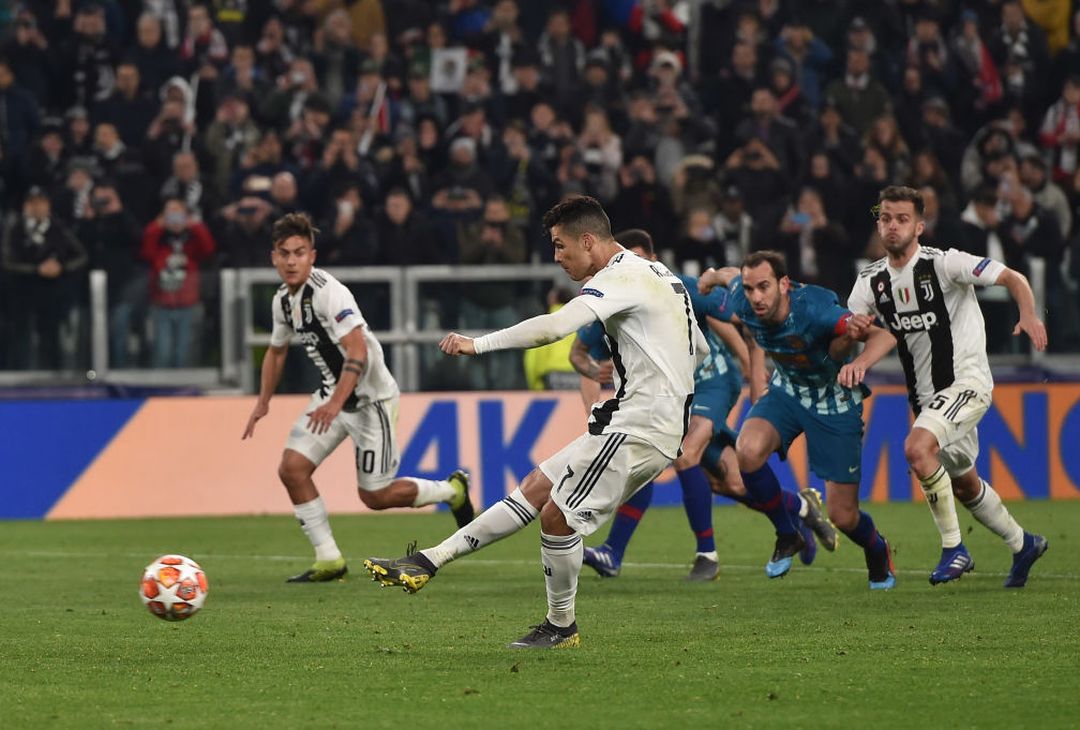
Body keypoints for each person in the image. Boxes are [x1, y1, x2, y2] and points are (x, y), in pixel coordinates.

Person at [364, 197, 706, 648]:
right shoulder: (662, 275)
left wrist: (478, 344)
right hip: (639, 419)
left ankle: (561, 626)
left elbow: (554, 328)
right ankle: (430, 559)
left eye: (561, 246)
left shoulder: (619, 276)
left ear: (589, 240)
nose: (557, 257)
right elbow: (697, 348)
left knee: (558, 516)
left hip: (639, 425)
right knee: (536, 487)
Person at [576, 229, 837, 582]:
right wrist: (594, 386)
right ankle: (802, 510)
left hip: (711, 383)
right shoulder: (611, 299)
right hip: (667, 398)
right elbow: (580, 356)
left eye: (637, 261)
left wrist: (753, 371)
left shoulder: (674, 286)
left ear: (652, 260)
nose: (629, 269)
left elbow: (743, 320)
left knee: (685, 455)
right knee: (728, 482)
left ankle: (706, 555)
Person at [242, 212, 475, 583]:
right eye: (284, 253)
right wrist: (263, 401)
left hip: (371, 402)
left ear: (312, 256)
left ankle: (452, 490)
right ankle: (329, 559)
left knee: (375, 496)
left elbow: (357, 351)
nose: (290, 261)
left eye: (299, 253)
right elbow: (277, 351)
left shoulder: (329, 293)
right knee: (292, 469)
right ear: (273, 257)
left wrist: (335, 403)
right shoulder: (282, 302)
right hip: (331, 396)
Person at [842, 185, 1049, 588]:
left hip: (967, 382)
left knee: (917, 449)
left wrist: (1028, 313)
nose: (892, 226)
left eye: (902, 219)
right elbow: (854, 331)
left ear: (919, 226)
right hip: (927, 400)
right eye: (885, 218)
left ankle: (955, 549)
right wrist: (854, 335)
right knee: (965, 483)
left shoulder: (946, 264)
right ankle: (1023, 543)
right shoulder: (870, 282)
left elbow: (1011, 276)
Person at [698, 251, 895, 588]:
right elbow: (730, 276)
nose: (756, 297)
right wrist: (712, 275)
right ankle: (788, 534)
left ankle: (877, 550)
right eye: (750, 288)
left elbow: (884, 335)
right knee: (747, 451)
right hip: (787, 391)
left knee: (843, 516)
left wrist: (860, 364)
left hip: (832, 400)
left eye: (764, 287)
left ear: (784, 284)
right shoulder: (742, 299)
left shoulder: (815, 308)